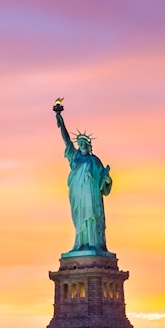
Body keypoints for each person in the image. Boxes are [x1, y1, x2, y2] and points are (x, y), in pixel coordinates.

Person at [56, 108, 113, 254]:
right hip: (78, 194)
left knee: (92, 216)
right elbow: (67, 141)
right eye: (79, 143)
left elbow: (104, 184)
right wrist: (61, 123)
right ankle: (81, 244)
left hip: (91, 195)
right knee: (80, 218)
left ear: (88, 146)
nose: (81, 145)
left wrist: (106, 179)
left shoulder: (94, 160)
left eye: (84, 143)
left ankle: (94, 243)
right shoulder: (75, 158)